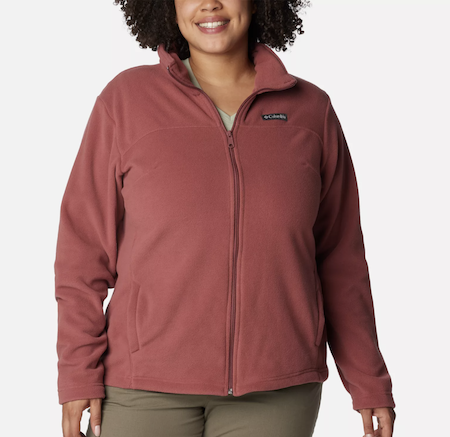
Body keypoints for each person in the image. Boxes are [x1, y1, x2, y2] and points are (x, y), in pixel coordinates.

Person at [54, 1, 397, 436]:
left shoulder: (312, 111)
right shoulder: (125, 101)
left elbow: (341, 260)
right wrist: (78, 373)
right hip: (143, 386)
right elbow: (82, 253)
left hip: (276, 390)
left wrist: (368, 380)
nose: (210, 3)